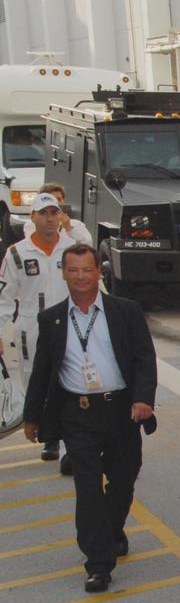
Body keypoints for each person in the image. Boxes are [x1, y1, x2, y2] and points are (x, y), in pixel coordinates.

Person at [21, 243, 157, 593]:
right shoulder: (52, 319)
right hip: (76, 414)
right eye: (73, 270)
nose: (80, 276)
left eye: (87, 269)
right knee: (88, 488)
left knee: (123, 479)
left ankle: (111, 531)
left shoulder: (125, 311)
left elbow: (144, 358)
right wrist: (32, 416)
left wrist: (143, 398)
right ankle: (98, 563)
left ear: (99, 272)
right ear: (64, 274)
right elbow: (42, 371)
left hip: (121, 410)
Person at [1, 192, 79, 464]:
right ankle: (50, 436)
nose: (49, 219)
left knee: (71, 380)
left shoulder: (72, 248)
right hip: (31, 329)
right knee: (37, 381)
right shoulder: (17, 253)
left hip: (69, 325)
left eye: (54, 213)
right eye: (43, 213)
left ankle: (70, 441)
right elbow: (4, 298)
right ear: (32, 216)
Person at [21, 182, 93, 246]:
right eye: (52, 199)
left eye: (59, 199)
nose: (57, 203)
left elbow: (88, 246)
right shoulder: (32, 224)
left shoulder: (76, 225)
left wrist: (69, 228)